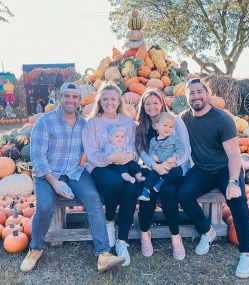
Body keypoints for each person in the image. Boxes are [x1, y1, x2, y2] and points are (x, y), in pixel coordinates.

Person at [20, 82, 125, 273]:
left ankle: (103, 255)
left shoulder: (85, 124)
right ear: (60, 97)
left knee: (94, 200)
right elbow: (37, 157)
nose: (71, 100)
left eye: (75, 97)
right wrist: (55, 183)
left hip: (75, 172)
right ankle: (36, 248)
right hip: (48, 174)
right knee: (44, 206)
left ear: (79, 100)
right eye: (67, 96)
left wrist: (118, 148)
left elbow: (96, 149)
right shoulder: (45, 121)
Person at [178, 78, 249, 279]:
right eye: (191, 93)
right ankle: (207, 231)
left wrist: (233, 182)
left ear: (207, 93)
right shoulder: (184, 118)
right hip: (203, 169)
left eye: (199, 92)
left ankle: (247, 253)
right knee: (183, 194)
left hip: (225, 169)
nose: (196, 96)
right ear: (186, 96)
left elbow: (234, 156)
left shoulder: (222, 119)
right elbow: (165, 126)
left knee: (237, 201)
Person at [82, 81, 138, 267]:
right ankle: (109, 220)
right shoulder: (92, 123)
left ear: (119, 100)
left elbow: (133, 147)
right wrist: (110, 157)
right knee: (115, 183)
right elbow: (91, 154)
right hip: (100, 166)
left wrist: (126, 156)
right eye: (105, 98)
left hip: (123, 164)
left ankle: (122, 242)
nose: (109, 102)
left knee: (132, 187)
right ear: (100, 101)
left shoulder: (127, 121)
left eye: (113, 98)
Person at [135, 88, 192, 260]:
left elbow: (186, 148)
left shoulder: (174, 121)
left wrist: (170, 164)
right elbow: (141, 150)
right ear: (143, 106)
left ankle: (175, 236)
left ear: (162, 104)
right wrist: (154, 165)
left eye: (155, 103)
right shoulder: (142, 126)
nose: (151, 107)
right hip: (154, 168)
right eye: (147, 103)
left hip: (175, 168)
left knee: (167, 192)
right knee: (149, 191)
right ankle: (145, 233)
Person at [138, 112, 185, 201]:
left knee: (178, 172)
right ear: (157, 126)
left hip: (171, 166)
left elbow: (181, 149)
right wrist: (152, 155)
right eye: (165, 125)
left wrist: (175, 157)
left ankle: (161, 182)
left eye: (170, 127)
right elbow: (151, 150)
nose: (168, 128)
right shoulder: (153, 140)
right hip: (159, 165)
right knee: (151, 175)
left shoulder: (174, 139)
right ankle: (146, 191)